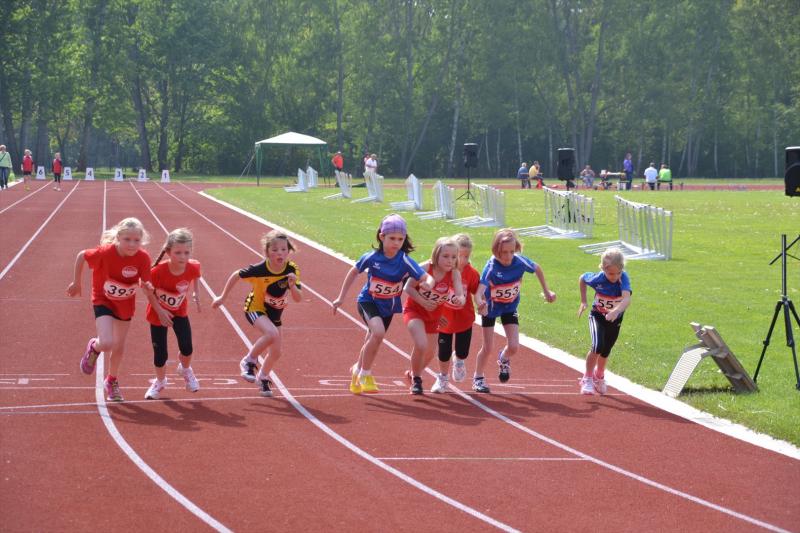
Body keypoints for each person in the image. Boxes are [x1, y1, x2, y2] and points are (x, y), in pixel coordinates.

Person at [332, 214, 433, 395]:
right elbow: (353, 272)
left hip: (388, 307)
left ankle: (357, 369)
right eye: (392, 238)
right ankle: (365, 374)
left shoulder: (404, 260)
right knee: (378, 333)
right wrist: (341, 297)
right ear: (382, 236)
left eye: (400, 239)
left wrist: (428, 284)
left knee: (373, 340)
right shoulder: (372, 257)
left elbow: (426, 276)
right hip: (368, 301)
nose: (396, 243)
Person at [67, 217, 155, 402]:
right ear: (118, 237)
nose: (132, 244)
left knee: (119, 345)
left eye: (136, 240)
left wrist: (147, 286)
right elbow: (82, 255)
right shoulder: (105, 252)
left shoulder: (143, 257)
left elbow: (145, 282)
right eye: (127, 239)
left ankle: (111, 380)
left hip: (125, 303)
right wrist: (76, 282)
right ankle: (94, 346)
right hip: (103, 299)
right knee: (107, 343)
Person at [212, 230, 302, 397]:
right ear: (267, 252)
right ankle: (248, 361)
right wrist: (222, 297)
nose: (280, 253)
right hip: (255, 308)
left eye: (284, 249)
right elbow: (236, 275)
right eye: (275, 250)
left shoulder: (291, 269)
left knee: (276, 352)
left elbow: (298, 298)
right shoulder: (260, 269)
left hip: (275, 315)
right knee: (272, 334)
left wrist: (292, 286)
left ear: (289, 250)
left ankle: (263, 378)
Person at [473, 229, 556, 392]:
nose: (508, 256)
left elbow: (537, 268)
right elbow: (478, 292)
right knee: (487, 347)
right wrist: (480, 302)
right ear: (496, 250)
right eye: (504, 252)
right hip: (490, 309)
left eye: (512, 251)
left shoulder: (519, 261)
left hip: (509, 306)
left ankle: (504, 358)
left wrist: (547, 291)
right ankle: (478, 377)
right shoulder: (491, 266)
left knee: (514, 346)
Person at [143, 229, 203, 400]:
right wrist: (161, 311)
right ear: (168, 252)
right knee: (160, 354)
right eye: (178, 253)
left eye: (186, 253)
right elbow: (148, 292)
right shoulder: (157, 272)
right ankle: (160, 381)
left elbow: (196, 275)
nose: (182, 257)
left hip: (179, 312)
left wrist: (196, 292)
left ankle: (185, 369)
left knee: (187, 347)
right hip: (157, 314)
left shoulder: (193, 266)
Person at [402, 237, 465, 394]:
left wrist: (460, 299)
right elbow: (408, 287)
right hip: (414, 311)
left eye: (453, 257)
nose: (450, 260)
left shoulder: (454, 274)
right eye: (445, 256)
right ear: (436, 254)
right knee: (421, 344)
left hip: (434, 316)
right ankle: (417, 380)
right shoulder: (425, 268)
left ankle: (412, 373)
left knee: (430, 352)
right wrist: (423, 302)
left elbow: (460, 294)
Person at [577, 248, 632, 395]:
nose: (614, 277)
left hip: (615, 318)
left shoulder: (623, 278)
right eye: (610, 274)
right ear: (603, 269)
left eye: (618, 273)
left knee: (606, 350)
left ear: (622, 269)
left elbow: (627, 299)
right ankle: (587, 378)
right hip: (598, 316)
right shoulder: (597, 279)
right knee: (597, 346)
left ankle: (599, 375)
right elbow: (582, 278)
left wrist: (615, 311)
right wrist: (583, 301)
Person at [437, 234, 485, 387]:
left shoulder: (472, 273)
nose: (463, 260)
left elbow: (477, 292)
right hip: (444, 319)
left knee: (463, 352)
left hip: (464, 319)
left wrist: (482, 303)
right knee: (443, 352)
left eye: (467, 256)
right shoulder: (442, 270)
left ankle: (458, 361)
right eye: (460, 256)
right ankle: (443, 378)